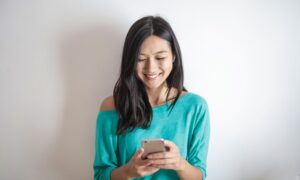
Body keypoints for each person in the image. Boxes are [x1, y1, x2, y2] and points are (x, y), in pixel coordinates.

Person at [93, 15, 210, 180]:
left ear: (174, 57)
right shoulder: (111, 107)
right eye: (140, 59)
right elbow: (100, 175)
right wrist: (128, 171)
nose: (151, 68)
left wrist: (180, 164)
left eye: (160, 58)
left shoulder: (195, 107)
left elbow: (200, 176)